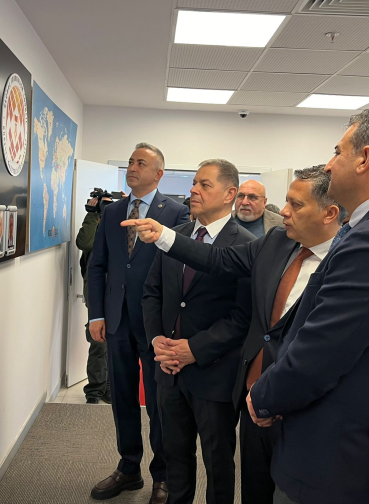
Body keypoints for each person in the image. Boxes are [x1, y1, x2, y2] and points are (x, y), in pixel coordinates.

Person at [126, 107, 369, 504]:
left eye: (338, 151)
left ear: (365, 159)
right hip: (286, 411)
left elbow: (322, 349)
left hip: (334, 437)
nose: (331, 163)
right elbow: (222, 262)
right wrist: (163, 236)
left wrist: (265, 397)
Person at [124, 165, 345, 504]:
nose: (284, 211)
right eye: (287, 201)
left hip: (296, 396)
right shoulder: (277, 241)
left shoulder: (349, 260)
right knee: (253, 484)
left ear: (329, 213)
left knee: (286, 485)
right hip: (255, 390)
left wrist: (194, 349)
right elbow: (217, 260)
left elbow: (253, 319)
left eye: (295, 204)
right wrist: (163, 236)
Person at [143, 159, 254, 504]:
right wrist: (157, 340)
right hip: (169, 371)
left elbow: (242, 317)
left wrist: (194, 349)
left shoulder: (246, 244)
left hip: (214, 374)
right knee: (174, 456)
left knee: (217, 462)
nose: (193, 190)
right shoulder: (173, 237)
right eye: (194, 183)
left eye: (205, 185)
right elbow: (152, 293)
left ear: (229, 194)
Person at [87, 143, 189, 503]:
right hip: (116, 320)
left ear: (158, 173)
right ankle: (128, 467)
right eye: (130, 162)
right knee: (122, 396)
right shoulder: (113, 211)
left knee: (160, 402)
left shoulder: (176, 212)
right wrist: (96, 314)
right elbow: (98, 265)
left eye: (141, 163)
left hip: (156, 323)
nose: (132, 167)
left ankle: (162, 474)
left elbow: (180, 268)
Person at [76, 197, 112, 404]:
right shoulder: (94, 224)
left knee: (116, 344)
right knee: (98, 343)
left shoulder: (125, 221)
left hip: (119, 292)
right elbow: (84, 243)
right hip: (96, 292)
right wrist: (92, 215)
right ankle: (95, 391)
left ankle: (108, 387)